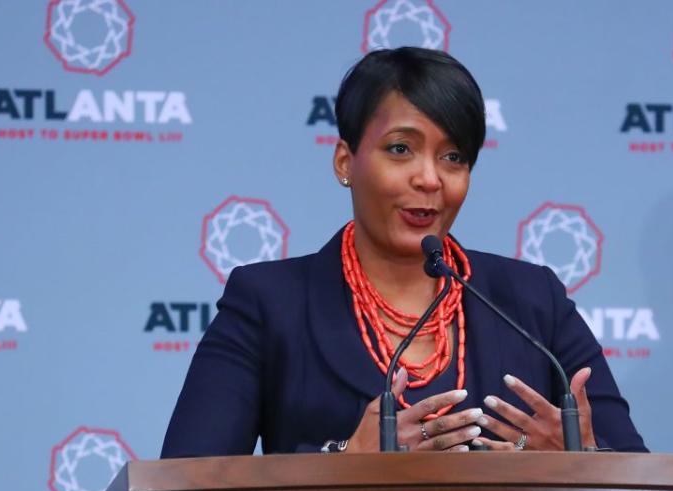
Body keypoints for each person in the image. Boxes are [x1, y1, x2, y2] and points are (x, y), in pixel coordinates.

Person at [161, 47, 647, 457]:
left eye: (453, 157)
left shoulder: (532, 300)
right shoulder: (269, 303)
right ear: (345, 161)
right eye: (400, 149)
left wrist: (582, 462)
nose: (429, 178)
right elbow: (187, 487)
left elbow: (638, 477)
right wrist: (347, 463)